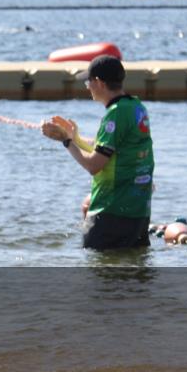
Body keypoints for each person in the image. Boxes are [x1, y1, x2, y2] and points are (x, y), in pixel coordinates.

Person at [41, 55, 154, 251]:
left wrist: (66, 142)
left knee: (100, 276)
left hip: (111, 213)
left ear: (99, 83)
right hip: (138, 213)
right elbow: (108, 148)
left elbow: (94, 165)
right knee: (133, 276)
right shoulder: (136, 107)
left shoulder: (115, 113)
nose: (87, 87)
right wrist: (75, 137)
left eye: (88, 82)